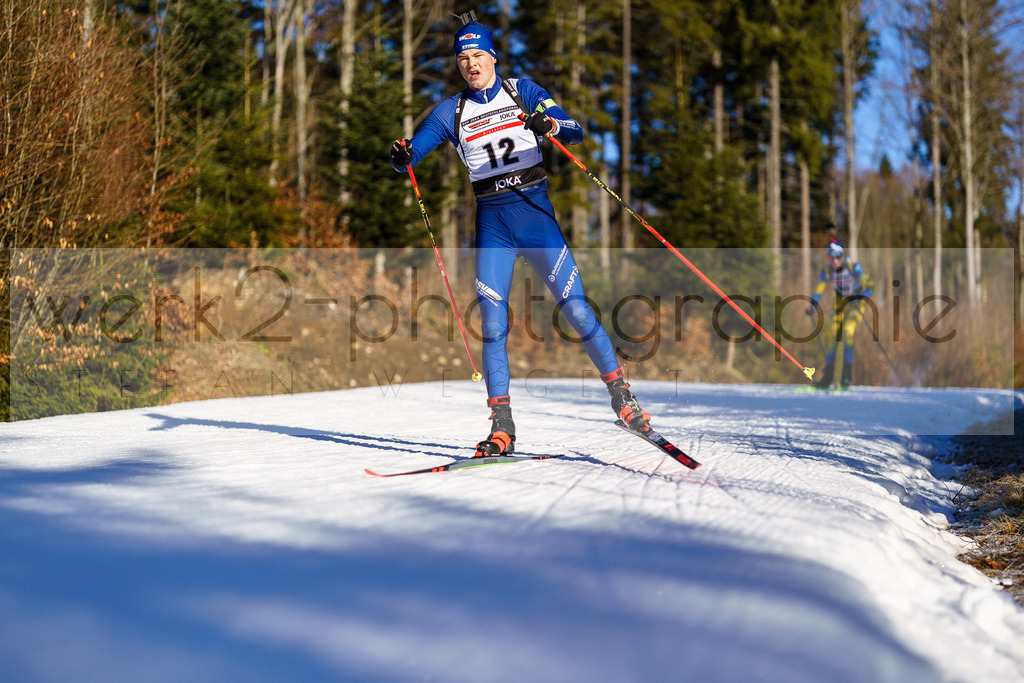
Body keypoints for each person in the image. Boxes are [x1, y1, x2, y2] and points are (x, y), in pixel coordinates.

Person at [390, 19, 649, 457]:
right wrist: (401, 155)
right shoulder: (449, 112)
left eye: (478, 56)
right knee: (492, 325)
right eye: (462, 59)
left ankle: (621, 395)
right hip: (493, 224)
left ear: (493, 57)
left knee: (578, 312)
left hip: (535, 215)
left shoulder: (521, 90)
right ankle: (501, 424)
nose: (471, 65)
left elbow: (573, 130)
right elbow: (410, 157)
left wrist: (547, 124)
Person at [806, 237, 875, 390]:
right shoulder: (827, 269)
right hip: (839, 302)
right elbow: (820, 289)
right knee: (833, 336)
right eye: (832, 258)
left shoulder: (853, 267)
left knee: (848, 332)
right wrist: (813, 305)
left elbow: (871, 286)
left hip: (856, 303)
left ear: (843, 256)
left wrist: (860, 296)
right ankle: (828, 377)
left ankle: (846, 377)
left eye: (838, 257)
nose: (835, 261)